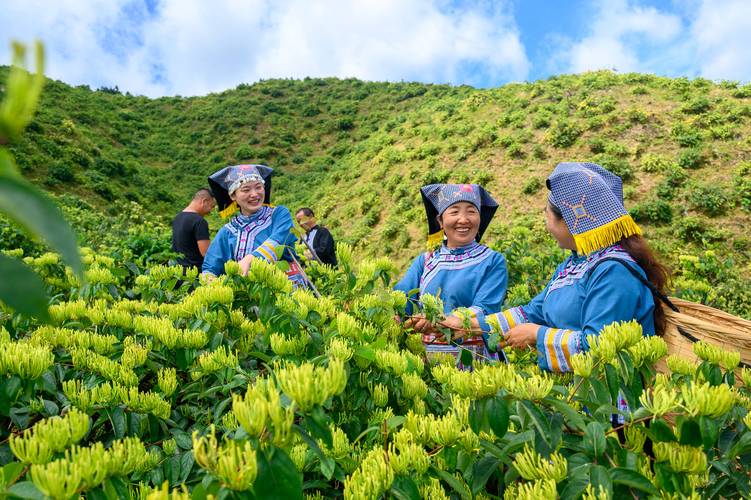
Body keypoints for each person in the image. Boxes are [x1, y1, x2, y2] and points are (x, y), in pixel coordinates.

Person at [451, 162, 669, 373]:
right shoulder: (575, 264)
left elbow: (600, 348)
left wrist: (538, 335)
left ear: (570, 221)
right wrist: (468, 325)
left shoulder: (613, 272)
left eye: (546, 213)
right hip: (575, 396)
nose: (546, 223)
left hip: (609, 403)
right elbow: (532, 312)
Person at [394, 183, 508, 363]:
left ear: (480, 218)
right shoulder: (425, 261)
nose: (463, 219)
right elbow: (400, 301)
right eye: (454, 212)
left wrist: (439, 320)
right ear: (440, 221)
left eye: (471, 211)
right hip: (431, 359)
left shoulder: (492, 261)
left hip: (476, 359)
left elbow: (486, 308)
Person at [201, 164, 306, 287]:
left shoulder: (279, 214)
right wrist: (213, 285)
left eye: (258, 187)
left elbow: (278, 241)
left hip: (287, 289)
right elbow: (210, 267)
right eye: (246, 190)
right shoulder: (228, 231)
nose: (254, 194)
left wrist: (249, 259)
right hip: (249, 298)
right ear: (233, 195)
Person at [171, 188, 216, 271]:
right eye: (212, 206)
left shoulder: (177, 217)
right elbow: (206, 253)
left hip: (178, 271)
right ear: (204, 201)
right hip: (194, 274)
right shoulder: (199, 221)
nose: (211, 211)